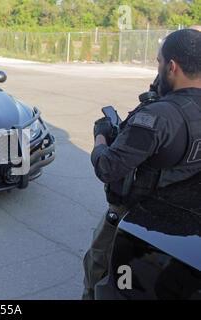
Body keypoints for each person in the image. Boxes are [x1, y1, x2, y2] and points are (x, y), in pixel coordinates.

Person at [82, 29, 201, 300]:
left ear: (171, 66)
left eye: (159, 62)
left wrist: (101, 136)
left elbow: (107, 167)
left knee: (97, 271)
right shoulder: (165, 109)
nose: (157, 69)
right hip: (182, 229)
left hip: (133, 219)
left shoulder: (158, 117)